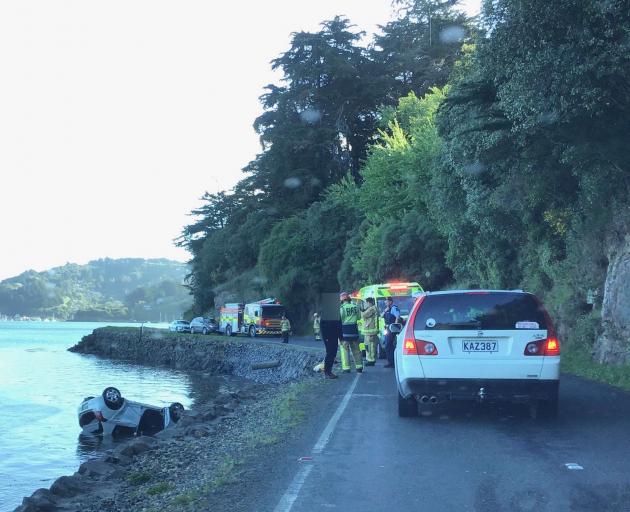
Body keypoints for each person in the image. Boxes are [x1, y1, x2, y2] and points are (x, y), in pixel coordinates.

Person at [339, 292, 363, 373]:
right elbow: (359, 317)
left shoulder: (342, 308)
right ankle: (359, 367)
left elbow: (340, 319)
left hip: (345, 332)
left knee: (345, 349)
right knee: (356, 350)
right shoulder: (355, 306)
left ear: (342, 300)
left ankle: (346, 368)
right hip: (354, 331)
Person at [318, 292, 341, 379]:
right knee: (330, 353)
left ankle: (329, 371)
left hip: (334, 336)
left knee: (333, 353)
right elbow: (323, 327)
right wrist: (326, 337)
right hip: (328, 337)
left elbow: (338, 325)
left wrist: (340, 336)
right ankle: (327, 372)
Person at [383, 296, 401, 368]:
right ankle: (391, 361)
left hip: (392, 329)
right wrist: (385, 310)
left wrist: (395, 325)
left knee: (388, 345)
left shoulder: (394, 308)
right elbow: (381, 316)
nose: (385, 302)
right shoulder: (387, 309)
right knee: (388, 345)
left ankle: (392, 362)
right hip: (388, 328)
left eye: (387, 301)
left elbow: (398, 316)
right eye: (385, 301)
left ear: (390, 302)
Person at [361, 297, 379, 366]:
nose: (366, 304)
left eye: (366, 303)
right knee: (368, 346)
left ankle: (371, 360)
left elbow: (363, 315)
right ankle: (369, 359)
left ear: (369, 303)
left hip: (371, 332)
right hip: (369, 332)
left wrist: (362, 310)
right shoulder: (373, 308)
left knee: (370, 347)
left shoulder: (372, 309)